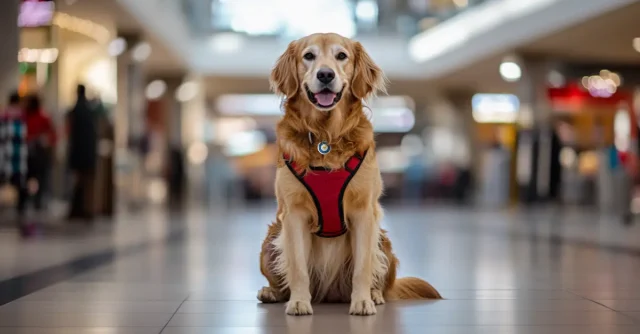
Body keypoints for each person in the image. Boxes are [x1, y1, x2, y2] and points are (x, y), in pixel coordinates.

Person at [0, 92, 33, 235]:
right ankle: (21, 214)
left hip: (5, 156)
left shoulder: (4, 116)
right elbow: (25, 138)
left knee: (4, 184)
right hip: (18, 158)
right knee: (20, 187)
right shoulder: (22, 117)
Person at [66, 85, 98, 220]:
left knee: (79, 181)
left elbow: (71, 133)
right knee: (87, 183)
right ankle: (86, 209)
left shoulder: (76, 111)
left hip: (79, 153)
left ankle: (79, 210)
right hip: (89, 153)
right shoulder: (89, 111)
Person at [24, 94, 57, 210]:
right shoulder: (25, 116)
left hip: (39, 154)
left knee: (39, 178)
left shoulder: (43, 117)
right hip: (28, 153)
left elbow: (52, 135)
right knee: (29, 177)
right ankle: (28, 200)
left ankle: (37, 201)